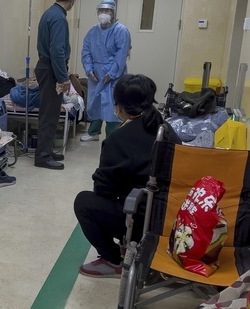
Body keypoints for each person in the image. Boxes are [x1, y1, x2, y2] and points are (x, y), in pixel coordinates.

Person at [74, 74, 181, 278]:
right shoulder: (166, 130)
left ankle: (113, 260)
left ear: (119, 107)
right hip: (172, 220)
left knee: (84, 202)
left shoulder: (118, 139)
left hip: (142, 221)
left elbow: (104, 190)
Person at [80, 0, 131, 142]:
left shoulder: (121, 30)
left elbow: (121, 55)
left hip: (114, 73)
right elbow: (86, 51)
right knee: (95, 102)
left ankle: (113, 137)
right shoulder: (93, 31)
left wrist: (112, 74)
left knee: (112, 106)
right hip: (95, 73)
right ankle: (93, 133)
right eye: (101, 11)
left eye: (107, 11)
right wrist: (89, 69)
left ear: (113, 13)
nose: (103, 14)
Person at [34, 0, 76, 170]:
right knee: (49, 115)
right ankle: (43, 156)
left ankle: (47, 150)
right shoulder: (59, 18)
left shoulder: (50, 13)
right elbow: (57, 51)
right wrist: (63, 78)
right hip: (51, 69)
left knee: (49, 113)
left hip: (46, 67)